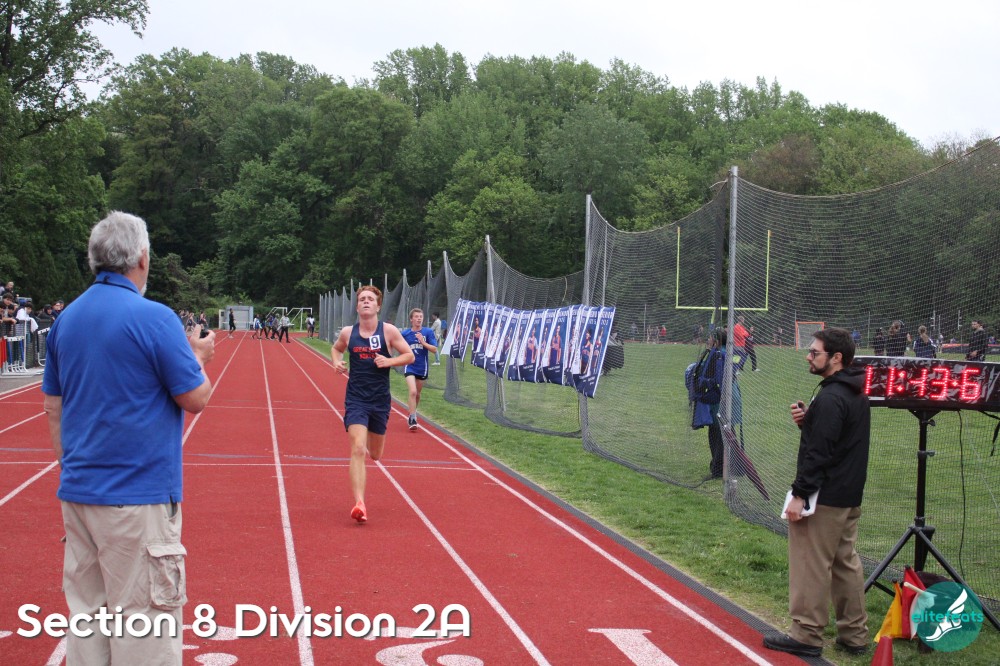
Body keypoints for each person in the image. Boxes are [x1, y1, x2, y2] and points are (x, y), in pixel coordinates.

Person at [41, 211, 215, 664]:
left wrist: (73, 469)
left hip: (80, 495)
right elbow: (195, 397)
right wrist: (198, 356)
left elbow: (53, 408)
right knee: (145, 626)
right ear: (142, 257)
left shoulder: (66, 319)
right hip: (138, 497)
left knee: (88, 621)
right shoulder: (154, 317)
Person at [763, 328, 869, 659]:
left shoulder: (831, 398)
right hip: (848, 494)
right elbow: (836, 439)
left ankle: (806, 634)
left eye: (814, 352)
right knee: (845, 563)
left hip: (824, 497)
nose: (808, 357)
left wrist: (800, 494)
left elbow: (819, 453)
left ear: (836, 358)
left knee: (810, 563)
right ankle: (854, 635)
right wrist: (808, 423)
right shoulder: (853, 392)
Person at [330, 285, 413, 523]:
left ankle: (369, 441)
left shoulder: (388, 331)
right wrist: (336, 362)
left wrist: (389, 361)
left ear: (378, 306)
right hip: (356, 398)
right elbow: (336, 349)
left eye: (370, 299)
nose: (366, 301)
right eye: (362, 299)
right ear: (357, 307)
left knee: (375, 454)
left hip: (380, 400)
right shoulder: (349, 332)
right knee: (357, 448)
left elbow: (409, 355)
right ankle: (360, 503)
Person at [401, 308, 437, 431]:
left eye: (420, 316)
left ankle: (413, 411)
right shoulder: (405, 334)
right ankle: (412, 418)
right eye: (416, 316)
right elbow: (396, 344)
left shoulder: (428, 332)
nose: (419, 319)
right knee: (412, 391)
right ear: (411, 319)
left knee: (417, 394)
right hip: (410, 365)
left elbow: (434, 349)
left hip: (422, 367)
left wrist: (423, 342)